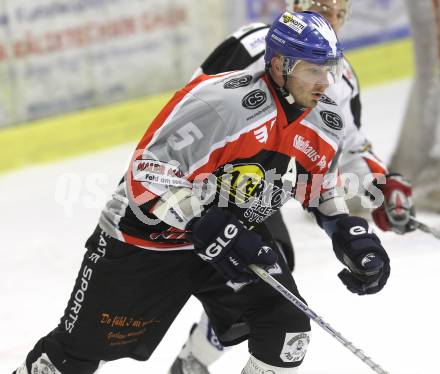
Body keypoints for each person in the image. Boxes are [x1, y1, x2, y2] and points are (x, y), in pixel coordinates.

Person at [13, 11, 391, 374]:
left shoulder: (326, 120)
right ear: (279, 66)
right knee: (69, 361)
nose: (325, 83)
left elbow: (319, 186)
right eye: (312, 70)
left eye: (327, 68)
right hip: (145, 241)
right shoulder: (223, 102)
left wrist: (347, 231)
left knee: (287, 332)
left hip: (229, 238)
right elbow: (146, 174)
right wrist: (202, 220)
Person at [169, 1, 415, 373]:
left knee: (268, 280)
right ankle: (195, 358)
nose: (330, 20)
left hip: (267, 189)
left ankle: (193, 360)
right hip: (209, 189)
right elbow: (189, 113)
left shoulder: (341, 76)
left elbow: (348, 146)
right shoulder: (252, 46)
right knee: (262, 274)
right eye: (320, 8)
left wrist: (380, 185)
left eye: (339, 13)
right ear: (296, 6)